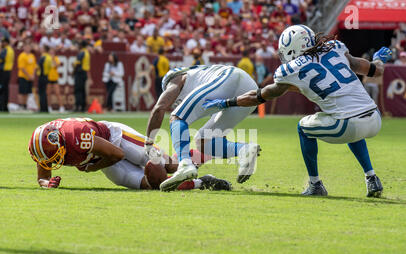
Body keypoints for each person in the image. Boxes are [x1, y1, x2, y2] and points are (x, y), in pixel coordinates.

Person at [203, 25, 392, 198]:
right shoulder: (335, 48)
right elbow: (375, 70)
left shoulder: (290, 69)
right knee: (350, 113)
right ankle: (372, 178)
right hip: (374, 118)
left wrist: (228, 103)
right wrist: (378, 59)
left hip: (347, 125)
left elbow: (260, 96)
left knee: (303, 127)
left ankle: (315, 184)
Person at [28, 118, 231, 191]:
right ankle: (204, 182)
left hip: (116, 139)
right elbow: (43, 176)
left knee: (168, 165)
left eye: (56, 156)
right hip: (102, 159)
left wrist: (91, 168)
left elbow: (117, 154)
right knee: (152, 184)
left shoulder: (77, 135)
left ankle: (210, 149)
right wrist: (47, 183)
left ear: (60, 141)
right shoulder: (45, 144)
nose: (54, 162)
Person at [144, 64, 260, 192]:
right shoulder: (200, 79)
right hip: (249, 89)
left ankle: (185, 164)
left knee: (177, 116)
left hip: (228, 77)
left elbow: (159, 108)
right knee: (203, 141)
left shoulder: (175, 79)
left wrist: (149, 143)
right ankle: (244, 149)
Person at [17, 42, 36, 110]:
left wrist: (33, 75)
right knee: (22, 91)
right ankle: (20, 105)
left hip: (30, 77)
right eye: (26, 47)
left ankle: (25, 105)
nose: (28, 48)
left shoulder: (32, 56)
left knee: (27, 92)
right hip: (23, 76)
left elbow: (34, 67)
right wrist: (29, 75)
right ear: (24, 48)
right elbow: (22, 67)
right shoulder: (22, 56)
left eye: (29, 47)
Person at [73, 40, 91, 112]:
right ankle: (83, 107)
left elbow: (78, 63)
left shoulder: (81, 53)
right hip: (84, 73)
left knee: (78, 90)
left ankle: (78, 106)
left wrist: (73, 71)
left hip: (80, 73)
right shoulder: (87, 53)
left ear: (81, 46)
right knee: (83, 90)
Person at [37, 45, 52, 113]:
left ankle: (42, 108)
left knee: (41, 93)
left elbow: (37, 66)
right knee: (44, 92)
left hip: (42, 76)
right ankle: (45, 108)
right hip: (46, 76)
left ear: (44, 49)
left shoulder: (43, 57)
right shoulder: (49, 57)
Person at [0, 38, 14, 112]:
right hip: (8, 71)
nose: (2, 43)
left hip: (3, 71)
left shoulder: (5, 50)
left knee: (2, 89)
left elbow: (1, 58)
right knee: (6, 89)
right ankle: (5, 106)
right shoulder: (11, 50)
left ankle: (2, 106)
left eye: (3, 42)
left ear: (6, 43)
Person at [47, 47, 64, 112]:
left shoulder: (56, 58)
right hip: (48, 77)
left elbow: (57, 65)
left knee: (57, 93)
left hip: (54, 78)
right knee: (48, 93)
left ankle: (61, 107)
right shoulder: (47, 59)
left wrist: (53, 59)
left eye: (52, 52)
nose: (51, 53)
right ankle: (49, 107)